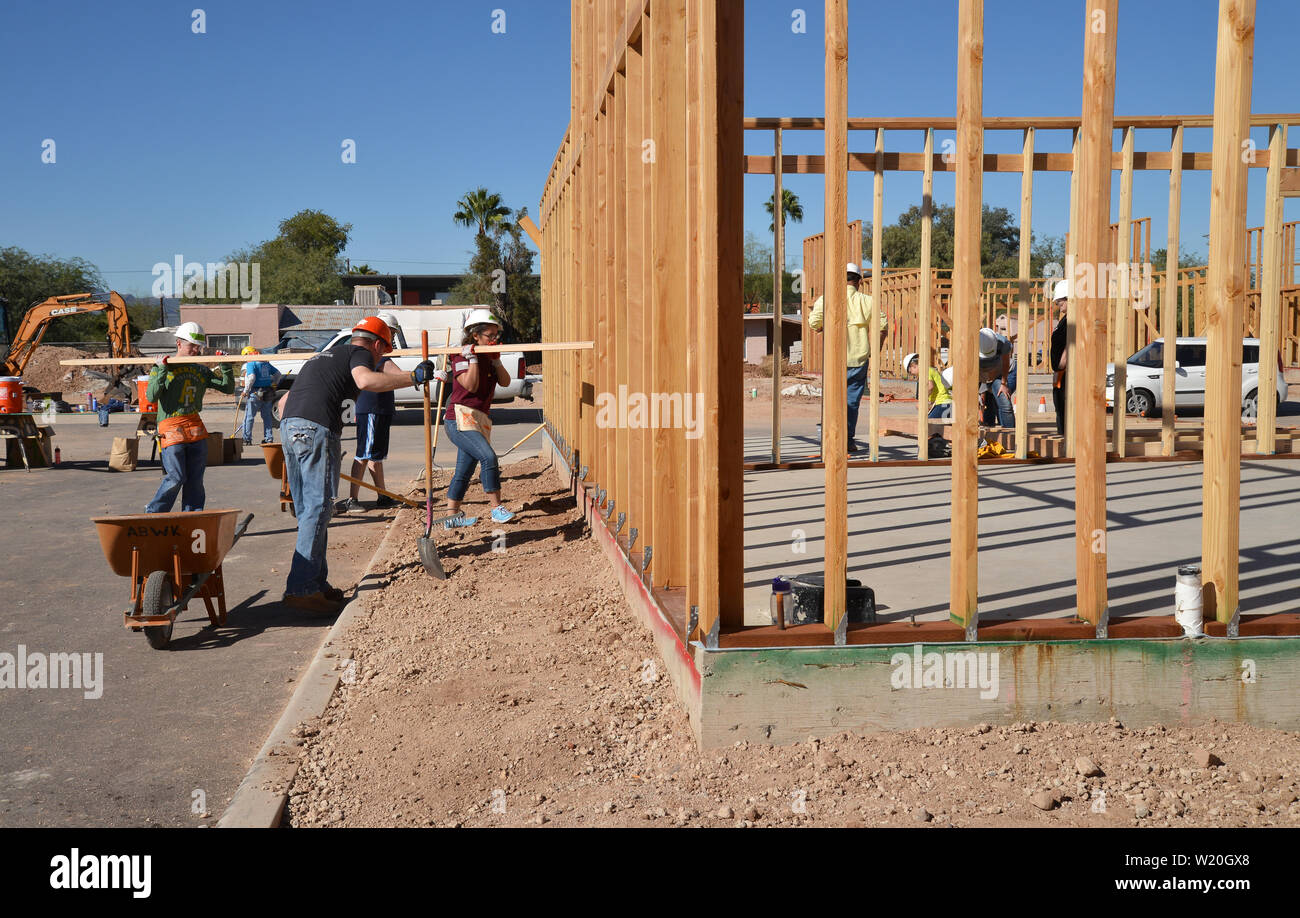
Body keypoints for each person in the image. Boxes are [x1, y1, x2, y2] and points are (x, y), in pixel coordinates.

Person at [277, 316, 436, 612]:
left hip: (289, 428)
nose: (382, 356)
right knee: (318, 507)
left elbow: (283, 403)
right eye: (383, 350)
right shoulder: (360, 353)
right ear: (376, 344)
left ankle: (315, 582)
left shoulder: (326, 355)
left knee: (308, 509)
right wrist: (414, 378)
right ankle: (301, 589)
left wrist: (411, 374)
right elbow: (366, 380)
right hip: (316, 428)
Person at [144, 322, 236, 513]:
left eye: (198, 346)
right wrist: (160, 369)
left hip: (195, 428)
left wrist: (226, 367)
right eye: (191, 346)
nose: (196, 350)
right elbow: (151, 396)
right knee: (175, 477)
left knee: (195, 479)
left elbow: (227, 388)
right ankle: (154, 513)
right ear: (178, 344)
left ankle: (193, 515)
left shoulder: (200, 370)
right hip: (171, 428)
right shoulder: (163, 367)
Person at [441, 309, 516, 528]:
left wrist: (496, 362)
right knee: (488, 457)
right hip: (458, 419)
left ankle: (451, 517)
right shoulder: (461, 355)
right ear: (475, 335)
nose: (493, 340)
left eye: (496, 336)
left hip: (478, 418)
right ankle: (496, 509)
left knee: (463, 472)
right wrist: (472, 358)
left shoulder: (489, 357)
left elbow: (505, 382)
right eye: (489, 336)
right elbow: (471, 385)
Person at [808, 263, 889, 451]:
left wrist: (824, 328)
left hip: (834, 360)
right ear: (858, 281)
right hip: (858, 360)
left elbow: (814, 323)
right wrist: (873, 351)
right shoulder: (867, 301)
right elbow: (882, 328)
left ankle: (832, 440)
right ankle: (848, 441)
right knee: (851, 402)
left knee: (832, 401)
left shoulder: (827, 299)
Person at [336, 313, 401, 514]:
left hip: (378, 410)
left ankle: (381, 495)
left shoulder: (376, 358)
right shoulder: (376, 360)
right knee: (363, 454)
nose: (392, 338)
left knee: (375, 456)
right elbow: (399, 374)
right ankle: (352, 499)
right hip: (371, 410)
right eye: (391, 333)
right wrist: (422, 375)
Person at [240, 346, 282, 445]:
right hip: (267, 392)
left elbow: (251, 377)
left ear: (248, 355)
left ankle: (247, 439)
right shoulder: (265, 363)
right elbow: (278, 374)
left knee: (249, 417)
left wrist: (245, 391)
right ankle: (268, 438)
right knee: (267, 416)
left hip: (255, 392)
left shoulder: (251, 363)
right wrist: (274, 384)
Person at [978, 327, 1015, 427]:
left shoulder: (1003, 344)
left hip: (1000, 374)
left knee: (1004, 404)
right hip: (979, 375)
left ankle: (1010, 437)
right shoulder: (971, 343)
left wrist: (1003, 383)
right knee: (983, 405)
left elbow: (1006, 364)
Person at [904, 352, 953, 419]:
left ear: (913, 366)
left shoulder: (925, 371)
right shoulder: (928, 370)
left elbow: (930, 387)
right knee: (942, 427)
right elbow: (936, 392)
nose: (912, 374)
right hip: (946, 404)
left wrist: (921, 402)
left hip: (943, 404)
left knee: (928, 425)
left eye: (910, 372)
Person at [1049, 279, 1069, 436]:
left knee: (1066, 408)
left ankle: (1069, 443)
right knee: (1060, 407)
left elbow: (1072, 344)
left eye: (1060, 303)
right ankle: (1064, 439)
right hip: (1060, 373)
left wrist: (1062, 364)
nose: (1059, 307)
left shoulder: (1073, 321)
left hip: (1066, 372)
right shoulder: (1064, 320)